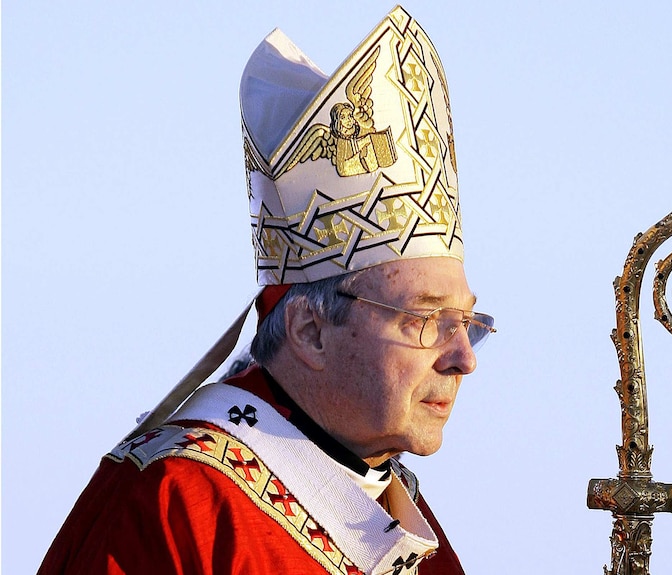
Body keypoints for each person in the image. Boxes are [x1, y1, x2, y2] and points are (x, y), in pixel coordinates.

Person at [39, 6, 495, 575]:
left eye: (468, 322)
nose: (464, 359)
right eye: (425, 320)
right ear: (310, 331)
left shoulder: (392, 510)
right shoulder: (178, 501)